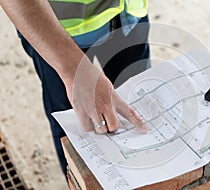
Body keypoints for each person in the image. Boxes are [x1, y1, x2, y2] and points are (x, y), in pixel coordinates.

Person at [0, 0, 150, 177]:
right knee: (76, 129)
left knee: (140, 110)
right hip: (56, 33)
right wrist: (72, 70)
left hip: (129, 15)